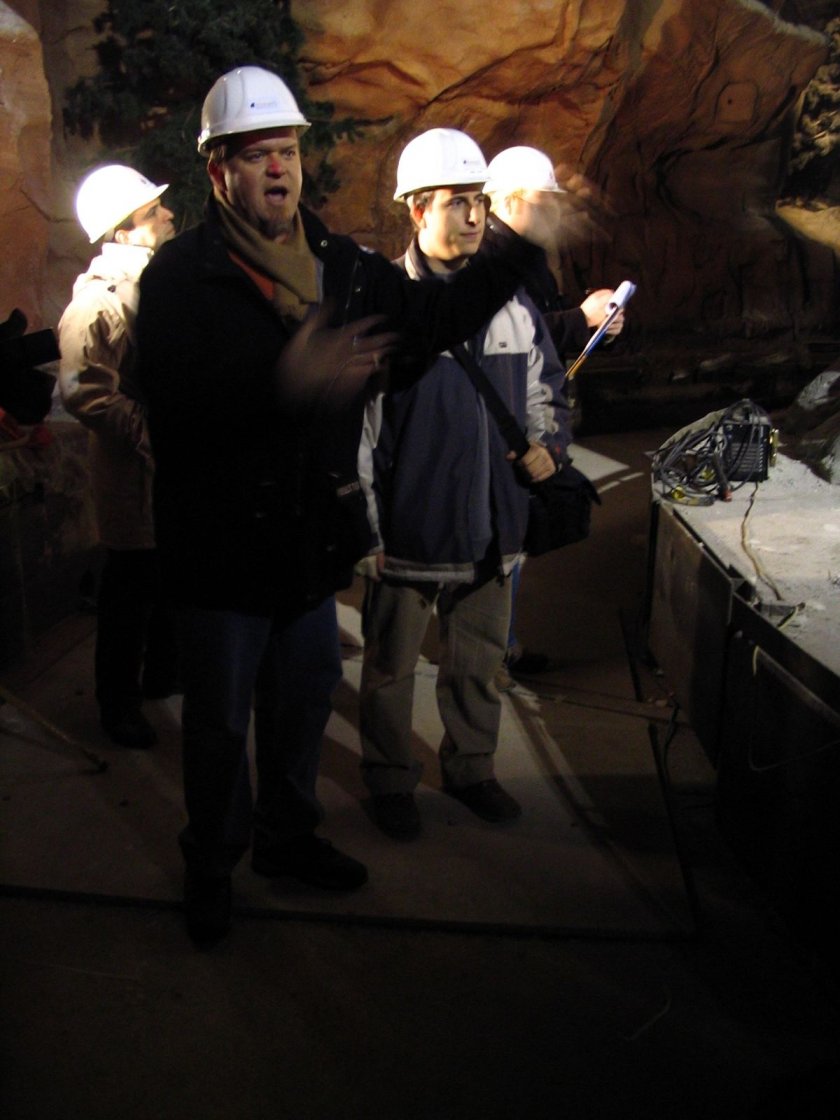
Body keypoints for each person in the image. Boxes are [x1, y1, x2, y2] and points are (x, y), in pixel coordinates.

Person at [133, 67, 546, 945]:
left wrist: (517, 250)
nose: (277, 169)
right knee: (219, 725)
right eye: (256, 155)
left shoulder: (342, 269)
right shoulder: (178, 277)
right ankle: (214, 867)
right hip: (218, 555)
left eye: (286, 151)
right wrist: (279, 384)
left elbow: (430, 322)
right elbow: (168, 410)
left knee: (302, 705)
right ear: (218, 171)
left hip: (303, 547)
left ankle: (286, 842)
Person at [357, 129, 570, 841]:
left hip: (493, 524)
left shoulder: (512, 305)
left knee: (477, 662)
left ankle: (472, 768)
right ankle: (390, 779)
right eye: (457, 202)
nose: (476, 216)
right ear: (417, 209)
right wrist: (365, 530)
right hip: (411, 527)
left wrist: (548, 449)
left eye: (480, 201)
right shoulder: (387, 307)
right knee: (391, 668)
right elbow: (358, 431)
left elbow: (546, 390)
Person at [482, 146, 626, 684]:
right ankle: (489, 652)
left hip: (531, 419)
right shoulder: (491, 257)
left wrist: (597, 327)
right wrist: (578, 319)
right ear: (510, 200)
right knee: (501, 543)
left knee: (514, 542)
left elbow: (541, 335)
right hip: (507, 430)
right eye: (545, 200)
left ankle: (499, 645)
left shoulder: (524, 257)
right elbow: (517, 334)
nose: (555, 212)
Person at [58, 165, 179, 749]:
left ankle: (160, 675)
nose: (168, 215)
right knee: (129, 592)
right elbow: (85, 393)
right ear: (124, 230)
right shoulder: (98, 303)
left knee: (165, 581)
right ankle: (118, 705)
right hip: (132, 476)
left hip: (163, 471)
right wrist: (150, 433)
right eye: (154, 211)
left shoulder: (155, 286)